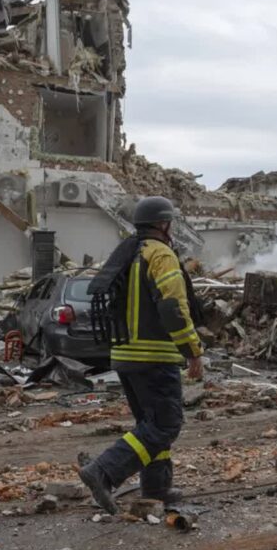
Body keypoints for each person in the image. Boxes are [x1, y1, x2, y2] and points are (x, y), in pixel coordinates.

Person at [78, 196, 204, 514]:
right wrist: (192, 351)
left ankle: (156, 488)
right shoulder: (160, 254)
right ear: (164, 224)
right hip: (154, 356)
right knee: (165, 424)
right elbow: (173, 309)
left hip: (124, 354)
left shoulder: (130, 253)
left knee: (150, 423)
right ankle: (103, 472)